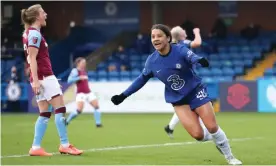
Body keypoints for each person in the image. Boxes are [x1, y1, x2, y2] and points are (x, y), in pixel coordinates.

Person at [111, 24, 242, 165]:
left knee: (211, 126)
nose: (155, 39)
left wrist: (199, 60)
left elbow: (191, 57)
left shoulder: (179, 49)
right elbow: (141, 80)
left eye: (159, 36)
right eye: (153, 36)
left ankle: (230, 157)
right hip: (178, 100)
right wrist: (123, 95)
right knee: (198, 135)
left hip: (196, 92)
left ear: (168, 38)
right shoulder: (152, 61)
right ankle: (218, 139)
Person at [21, 4, 83, 156]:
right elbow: (33, 58)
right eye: (43, 12)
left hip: (40, 77)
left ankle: (35, 147)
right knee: (60, 109)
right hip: (45, 77)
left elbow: (30, 58)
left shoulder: (28, 33)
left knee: (44, 113)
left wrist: (35, 79)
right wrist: (36, 80)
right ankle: (65, 144)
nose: (46, 14)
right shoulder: (34, 35)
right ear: (36, 16)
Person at [164, 26, 203, 138]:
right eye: (184, 31)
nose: (186, 32)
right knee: (197, 103)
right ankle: (205, 129)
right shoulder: (182, 44)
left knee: (184, 105)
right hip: (187, 80)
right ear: (180, 35)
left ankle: (170, 127)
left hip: (178, 80)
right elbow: (197, 43)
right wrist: (197, 32)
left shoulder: (171, 47)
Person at [66, 57, 102, 127]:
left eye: (85, 63)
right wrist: (79, 78)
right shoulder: (75, 71)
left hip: (88, 92)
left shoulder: (84, 71)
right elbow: (69, 80)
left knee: (96, 106)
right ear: (78, 63)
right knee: (79, 110)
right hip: (81, 93)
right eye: (83, 63)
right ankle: (67, 121)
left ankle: (98, 123)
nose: (84, 64)